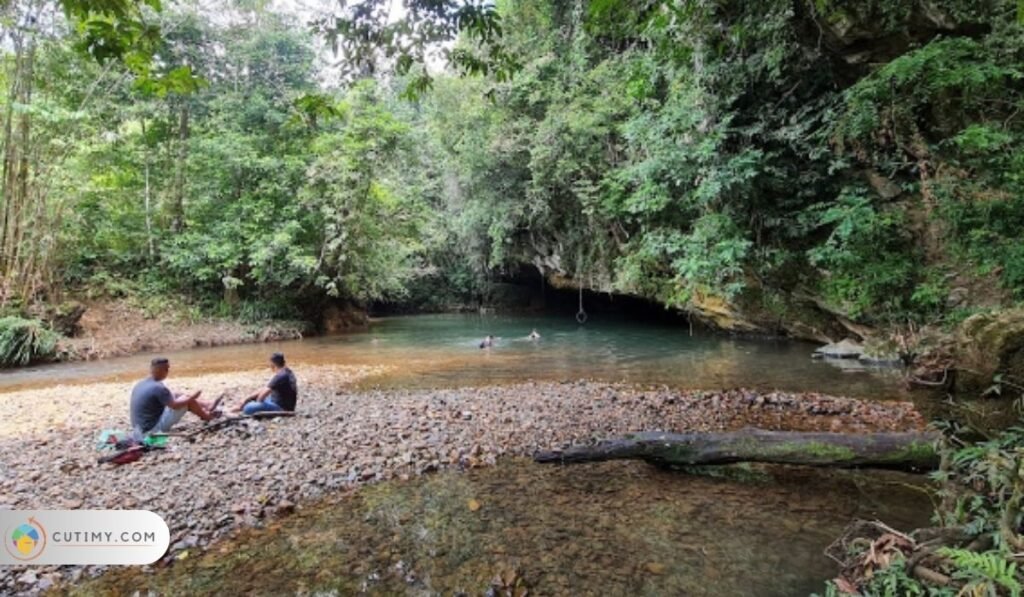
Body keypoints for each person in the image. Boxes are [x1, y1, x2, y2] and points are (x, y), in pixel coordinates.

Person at [130, 357, 219, 438]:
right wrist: (192, 397)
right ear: (162, 370)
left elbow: (168, 398)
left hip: (138, 429)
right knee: (187, 401)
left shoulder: (142, 383)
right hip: (150, 431)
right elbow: (175, 406)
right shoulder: (158, 388)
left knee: (176, 394)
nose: (168, 371)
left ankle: (207, 405)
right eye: (167, 369)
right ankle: (207, 417)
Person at [233, 352, 298, 415]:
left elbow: (261, 397)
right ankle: (243, 403)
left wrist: (257, 403)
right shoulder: (288, 371)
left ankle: (242, 406)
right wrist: (248, 399)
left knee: (248, 408)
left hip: (282, 408)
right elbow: (265, 388)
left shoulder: (280, 376)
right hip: (286, 403)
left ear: (272, 364)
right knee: (256, 395)